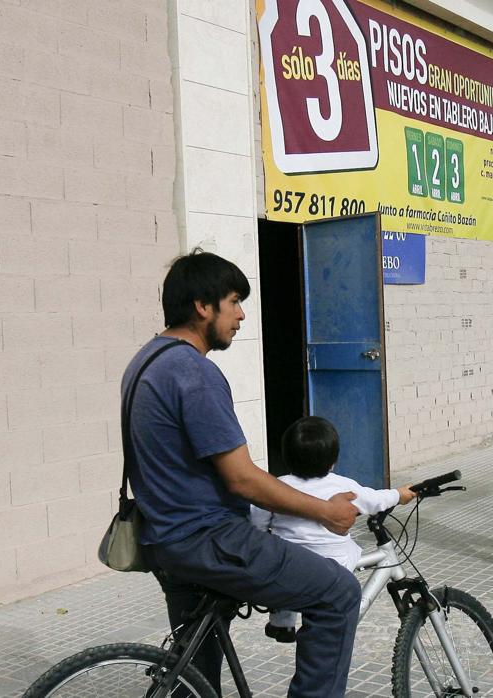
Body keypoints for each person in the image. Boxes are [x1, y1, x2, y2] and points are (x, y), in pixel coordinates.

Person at [125, 250, 361, 697]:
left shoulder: (145, 362)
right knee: (338, 594)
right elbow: (242, 479)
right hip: (207, 539)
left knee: (196, 674)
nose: (241, 315)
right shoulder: (193, 372)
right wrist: (324, 512)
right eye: (234, 301)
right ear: (202, 305)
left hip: (163, 539)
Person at [250, 416, 415, 642]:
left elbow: (257, 518)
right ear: (333, 461)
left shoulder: (278, 487)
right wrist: (399, 494)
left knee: (282, 565)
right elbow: (375, 500)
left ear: (286, 456)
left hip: (288, 565)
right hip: (333, 569)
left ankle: (282, 624)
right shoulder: (342, 485)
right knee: (348, 556)